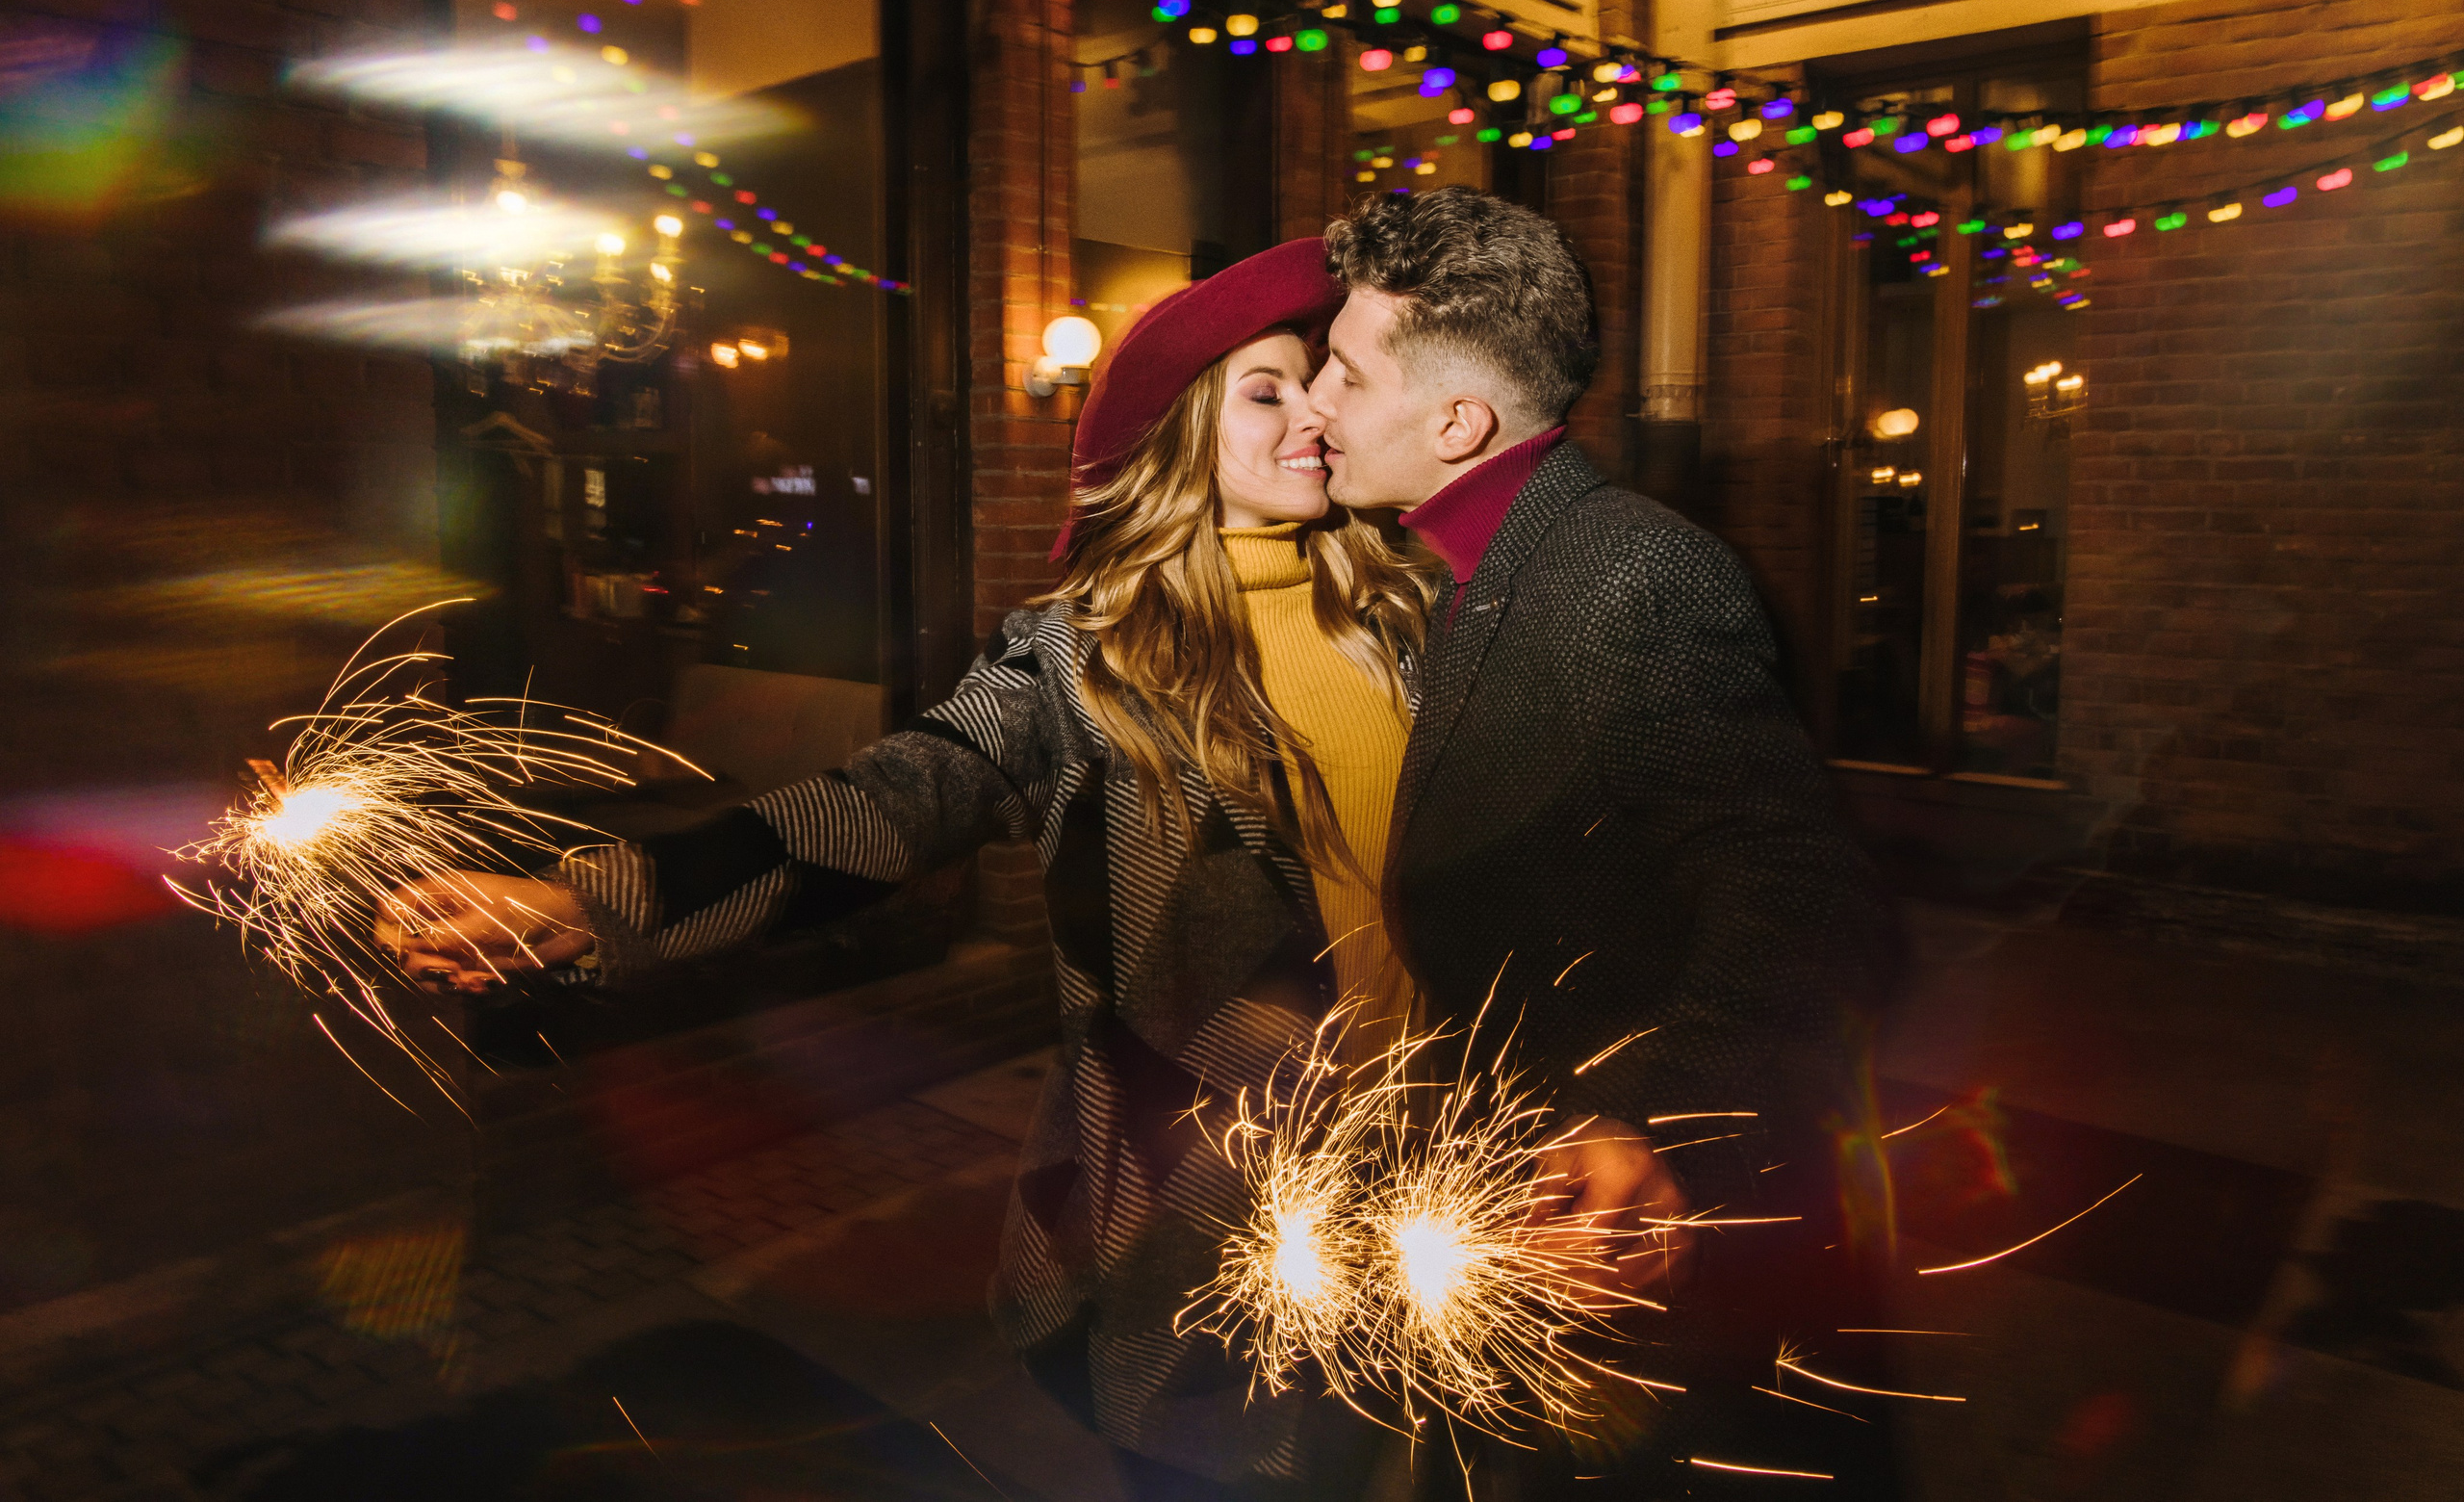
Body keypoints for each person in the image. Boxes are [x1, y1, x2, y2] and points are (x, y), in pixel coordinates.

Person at [377, 238, 1431, 1500]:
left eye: (1319, 380)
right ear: (1178, 434)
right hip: (1210, 1224)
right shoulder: (1081, 663)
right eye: (1266, 388)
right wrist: (596, 899)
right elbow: (884, 803)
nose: (1314, 410)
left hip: (1441, 1186)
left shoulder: (1421, 619)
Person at [1308, 188, 1902, 1497]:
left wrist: (1640, 1129)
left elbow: (1804, 896)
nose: (1316, 404)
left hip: (1626, 1271)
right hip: (1514, 1220)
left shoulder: (1635, 577)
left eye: (1344, 372)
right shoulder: (1476, 568)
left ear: (1457, 423)